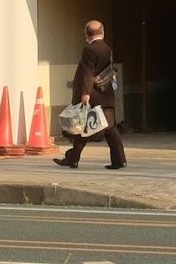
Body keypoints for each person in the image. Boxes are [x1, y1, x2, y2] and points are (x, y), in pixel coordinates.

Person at [54, 19, 127, 169]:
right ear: (103, 32)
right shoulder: (107, 49)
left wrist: (85, 93)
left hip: (93, 96)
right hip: (106, 95)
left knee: (83, 128)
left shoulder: (89, 50)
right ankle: (119, 160)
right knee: (110, 128)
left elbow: (88, 73)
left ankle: (72, 159)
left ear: (86, 34)